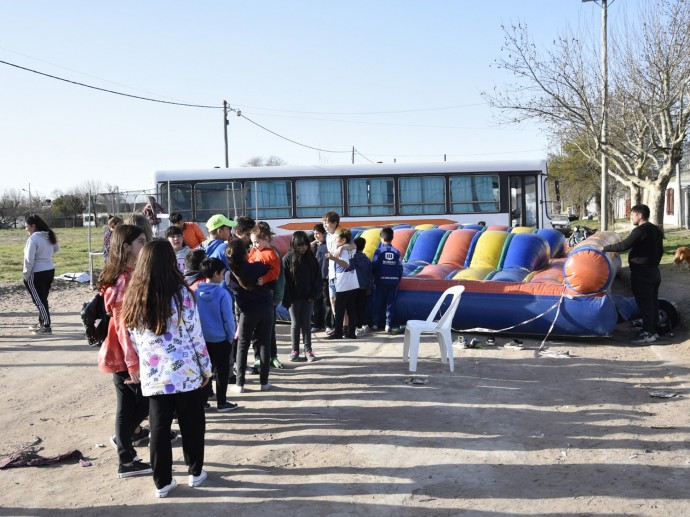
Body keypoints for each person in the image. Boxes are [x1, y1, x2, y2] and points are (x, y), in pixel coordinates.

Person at [123, 240, 213, 498]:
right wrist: (206, 369)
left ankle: (162, 483)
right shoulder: (181, 293)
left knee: (159, 429)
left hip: (154, 374)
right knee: (192, 424)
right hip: (186, 372)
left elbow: (132, 337)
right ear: (170, 262)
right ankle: (195, 473)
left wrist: (147, 362)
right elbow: (196, 335)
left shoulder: (134, 295)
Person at [96, 224, 155, 479]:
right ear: (126, 247)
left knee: (133, 406)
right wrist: (133, 365)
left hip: (127, 354)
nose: (145, 246)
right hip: (124, 355)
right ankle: (125, 455)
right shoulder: (124, 280)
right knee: (141, 404)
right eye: (141, 241)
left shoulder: (130, 274)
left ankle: (126, 448)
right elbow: (122, 327)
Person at [601, 204, 664, 344]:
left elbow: (624, 245)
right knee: (653, 301)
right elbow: (661, 251)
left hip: (642, 273)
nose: (631, 218)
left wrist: (604, 248)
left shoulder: (640, 230)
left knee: (645, 303)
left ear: (640, 215)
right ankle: (653, 330)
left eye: (633, 215)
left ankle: (648, 333)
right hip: (654, 271)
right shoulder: (656, 230)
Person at [225, 239, 274, 392]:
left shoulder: (229, 275)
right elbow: (272, 280)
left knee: (242, 346)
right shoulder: (259, 267)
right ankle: (264, 382)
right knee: (264, 343)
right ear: (246, 253)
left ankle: (240, 384)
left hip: (246, 313)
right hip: (266, 309)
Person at [196, 257, 239, 413]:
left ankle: (202, 402)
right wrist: (231, 336)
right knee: (221, 372)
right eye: (222, 273)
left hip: (201, 340)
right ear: (215, 274)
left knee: (204, 371)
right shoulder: (222, 294)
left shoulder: (194, 293)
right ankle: (222, 403)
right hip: (221, 339)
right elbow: (228, 319)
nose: (223, 276)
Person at [248, 222, 285, 369]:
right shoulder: (252, 251)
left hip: (268, 296)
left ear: (266, 238)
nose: (255, 245)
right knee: (256, 329)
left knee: (270, 328)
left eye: (257, 242)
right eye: (253, 242)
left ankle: (273, 356)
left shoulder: (273, 253)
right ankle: (258, 356)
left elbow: (280, 277)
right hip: (254, 296)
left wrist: (277, 297)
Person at [282, 231, 321, 362]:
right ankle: (295, 349)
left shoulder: (311, 258)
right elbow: (284, 281)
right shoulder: (287, 258)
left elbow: (317, 278)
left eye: (305, 245)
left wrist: (314, 294)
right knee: (295, 324)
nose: (303, 248)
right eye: (300, 245)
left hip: (308, 297)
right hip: (293, 298)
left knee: (306, 323)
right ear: (294, 244)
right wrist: (286, 298)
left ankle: (308, 350)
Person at [23, 214, 60, 335]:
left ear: (33, 226)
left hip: (37, 272)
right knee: (42, 298)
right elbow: (56, 248)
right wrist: (46, 256)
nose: (26, 229)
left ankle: (46, 326)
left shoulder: (33, 239)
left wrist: (26, 274)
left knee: (39, 301)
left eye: (26, 226)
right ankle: (42, 322)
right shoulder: (48, 235)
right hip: (49, 270)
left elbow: (29, 259)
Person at [321, 211, 355, 336]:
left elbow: (353, 246)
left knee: (342, 302)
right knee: (333, 300)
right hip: (331, 272)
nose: (325, 225)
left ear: (335, 223)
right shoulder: (327, 235)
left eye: (327, 223)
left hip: (341, 274)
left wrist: (342, 247)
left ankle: (344, 326)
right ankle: (338, 325)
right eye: (323, 223)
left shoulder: (340, 234)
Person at [325, 227, 359, 340]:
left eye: (336, 238)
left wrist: (333, 258)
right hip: (353, 282)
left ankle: (338, 333)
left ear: (343, 240)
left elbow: (346, 264)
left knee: (340, 310)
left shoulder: (343, 249)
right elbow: (354, 245)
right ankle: (351, 332)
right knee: (352, 310)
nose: (335, 240)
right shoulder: (349, 247)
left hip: (343, 282)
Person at [371, 227, 403, 333]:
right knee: (390, 304)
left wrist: (374, 276)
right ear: (392, 238)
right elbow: (400, 267)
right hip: (393, 282)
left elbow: (374, 265)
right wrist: (398, 279)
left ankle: (375, 324)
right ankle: (388, 325)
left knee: (377, 303)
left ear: (381, 238)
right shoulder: (397, 252)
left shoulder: (378, 251)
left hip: (380, 281)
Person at [351, 236, 373, 337]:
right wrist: (369, 287)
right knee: (362, 307)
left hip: (352, 286)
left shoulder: (352, 259)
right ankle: (363, 324)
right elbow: (370, 275)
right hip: (363, 287)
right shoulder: (367, 260)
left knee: (353, 307)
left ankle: (355, 326)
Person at [310, 223, 328, 332]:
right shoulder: (314, 245)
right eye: (314, 234)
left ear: (323, 234)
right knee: (316, 302)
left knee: (326, 302)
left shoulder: (327, 244)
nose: (315, 236)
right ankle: (317, 324)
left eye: (318, 233)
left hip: (325, 276)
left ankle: (327, 325)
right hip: (315, 277)